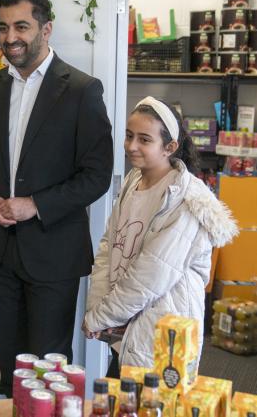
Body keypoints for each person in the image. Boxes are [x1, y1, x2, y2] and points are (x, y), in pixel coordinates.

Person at [0, 0, 114, 396]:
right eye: (3, 27)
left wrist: (36, 205)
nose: (10, 36)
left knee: (49, 368)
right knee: (10, 364)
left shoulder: (83, 90)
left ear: (46, 29)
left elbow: (98, 174)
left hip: (54, 252)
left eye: (21, 26)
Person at [84, 97, 238, 373]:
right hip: (126, 325)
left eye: (144, 139)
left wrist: (101, 316)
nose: (132, 146)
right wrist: (99, 308)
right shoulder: (134, 181)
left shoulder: (187, 201)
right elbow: (110, 246)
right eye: (129, 136)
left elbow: (150, 275)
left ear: (170, 147)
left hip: (163, 332)